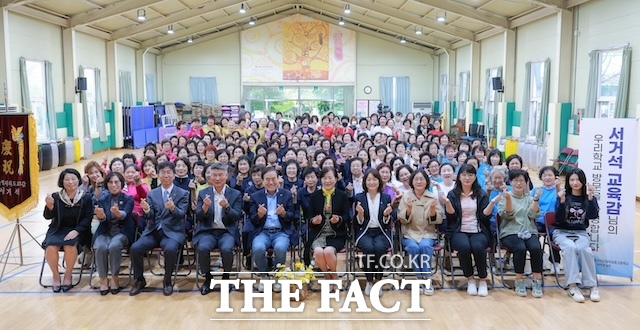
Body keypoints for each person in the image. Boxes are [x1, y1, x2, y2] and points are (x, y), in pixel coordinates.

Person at [129, 162, 189, 296]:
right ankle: (139, 280)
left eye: (169, 172)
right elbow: (149, 216)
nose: (166, 175)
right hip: (153, 230)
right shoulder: (152, 193)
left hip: (172, 232)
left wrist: (173, 208)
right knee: (135, 248)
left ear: (174, 175)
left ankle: (167, 281)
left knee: (170, 249)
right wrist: (146, 209)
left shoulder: (182, 193)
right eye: (163, 172)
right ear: (159, 175)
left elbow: (182, 214)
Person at [443, 164, 491, 297]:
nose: (467, 178)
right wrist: (447, 203)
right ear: (458, 177)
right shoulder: (452, 194)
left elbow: (484, 217)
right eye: (464, 175)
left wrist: (491, 204)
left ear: (475, 177)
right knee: (464, 247)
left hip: (478, 230)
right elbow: (451, 217)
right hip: (459, 230)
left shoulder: (481, 194)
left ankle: (482, 280)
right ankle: (470, 279)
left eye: (470, 175)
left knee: (477, 247)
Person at [195, 163, 243, 295]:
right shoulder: (203, 193)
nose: (217, 178)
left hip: (227, 231)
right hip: (208, 231)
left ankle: (226, 278)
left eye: (220, 175)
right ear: (209, 177)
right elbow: (198, 216)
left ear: (226, 176)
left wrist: (227, 207)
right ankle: (208, 279)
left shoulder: (235, 194)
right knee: (203, 248)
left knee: (227, 249)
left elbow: (237, 216)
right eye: (214, 175)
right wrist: (204, 207)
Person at [42, 168, 93, 292]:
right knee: (50, 247)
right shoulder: (56, 197)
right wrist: (49, 207)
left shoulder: (85, 198)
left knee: (70, 247)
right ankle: (55, 276)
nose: (71, 182)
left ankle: (68, 275)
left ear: (78, 181)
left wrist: (77, 231)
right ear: (62, 182)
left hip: (78, 230)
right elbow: (47, 216)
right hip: (58, 229)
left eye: (73, 179)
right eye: (67, 179)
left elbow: (88, 218)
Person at [554, 168, 600, 303]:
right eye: (572, 180)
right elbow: (558, 219)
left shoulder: (588, 198)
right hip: (562, 231)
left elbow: (592, 216)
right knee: (569, 248)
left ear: (583, 181)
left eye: (578, 180)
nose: (575, 183)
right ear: (568, 182)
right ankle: (573, 286)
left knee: (584, 249)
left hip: (580, 232)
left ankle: (592, 285)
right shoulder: (563, 195)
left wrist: (591, 198)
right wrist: (562, 203)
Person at [249, 167, 297, 293]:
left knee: (280, 248)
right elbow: (252, 220)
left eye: (273, 179)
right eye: (267, 179)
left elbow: (293, 216)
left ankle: (277, 278)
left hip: (280, 232)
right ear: (263, 181)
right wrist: (259, 215)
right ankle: (264, 277)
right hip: (262, 232)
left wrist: (284, 214)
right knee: (258, 248)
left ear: (278, 179)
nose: (271, 182)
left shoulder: (286, 195)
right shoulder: (255, 196)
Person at [496, 169, 544, 298]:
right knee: (520, 248)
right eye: (515, 180)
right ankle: (519, 280)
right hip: (510, 232)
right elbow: (508, 215)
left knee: (536, 248)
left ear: (526, 182)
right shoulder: (504, 197)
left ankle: (537, 281)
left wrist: (535, 199)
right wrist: (508, 200)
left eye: (521, 180)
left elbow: (533, 214)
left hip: (529, 231)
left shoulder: (529, 198)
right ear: (510, 182)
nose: (518, 183)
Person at [397, 169, 443, 296]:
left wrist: (433, 210)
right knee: (412, 247)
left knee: (424, 246)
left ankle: (426, 279)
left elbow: (438, 219)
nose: (419, 181)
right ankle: (419, 278)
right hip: (409, 233)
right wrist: (409, 210)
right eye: (416, 179)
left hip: (427, 233)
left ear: (426, 181)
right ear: (412, 181)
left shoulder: (432, 197)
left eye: (421, 179)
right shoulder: (406, 196)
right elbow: (401, 219)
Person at [305, 167, 350, 292]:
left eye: (330, 178)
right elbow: (309, 215)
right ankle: (327, 276)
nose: (327, 181)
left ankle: (334, 276)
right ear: (321, 180)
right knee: (318, 252)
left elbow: (347, 216)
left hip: (336, 234)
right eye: (325, 178)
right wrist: (314, 220)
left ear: (336, 179)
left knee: (329, 252)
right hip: (318, 233)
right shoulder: (315, 196)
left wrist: (339, 219)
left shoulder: (342, 195)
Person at [93, 172, 135, 295]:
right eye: (110, 182)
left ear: (122, 184)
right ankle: (103, 280)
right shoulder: (102, 199)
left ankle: (115, 278)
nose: (113, 185)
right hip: (105, 232)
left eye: (116, 182)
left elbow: (125, 215)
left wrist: (117, 212)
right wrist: (101, 216)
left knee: (114, 245)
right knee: (100, 246)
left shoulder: (128, 198)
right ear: (106, 184)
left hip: (122, 232)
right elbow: (102, 219)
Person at [354, 169, 394, 296]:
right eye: (369, 179)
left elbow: (387, 222)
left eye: (374, 179)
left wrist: (387, 215)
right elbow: (356, 223)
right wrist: (359, 214)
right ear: (365, 182)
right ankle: (369, 280)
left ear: (379, 181)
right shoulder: (359, 197)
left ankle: (378, 280)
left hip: (381, 231)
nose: (371, 182)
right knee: (369, 248)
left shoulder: (386, 197)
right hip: (364, 231)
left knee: (380, 248)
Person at [532, 166, 562, 273]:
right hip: (539, 221)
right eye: (544, 175)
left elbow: (561, 202)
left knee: (553, 236)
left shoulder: (560, 190)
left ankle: (555, 263)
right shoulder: (536, 190)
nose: (547, 178)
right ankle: (539, 259)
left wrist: (558, 187)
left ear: (555, 177)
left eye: (550, 175)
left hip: (554, 222)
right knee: (533, 236)